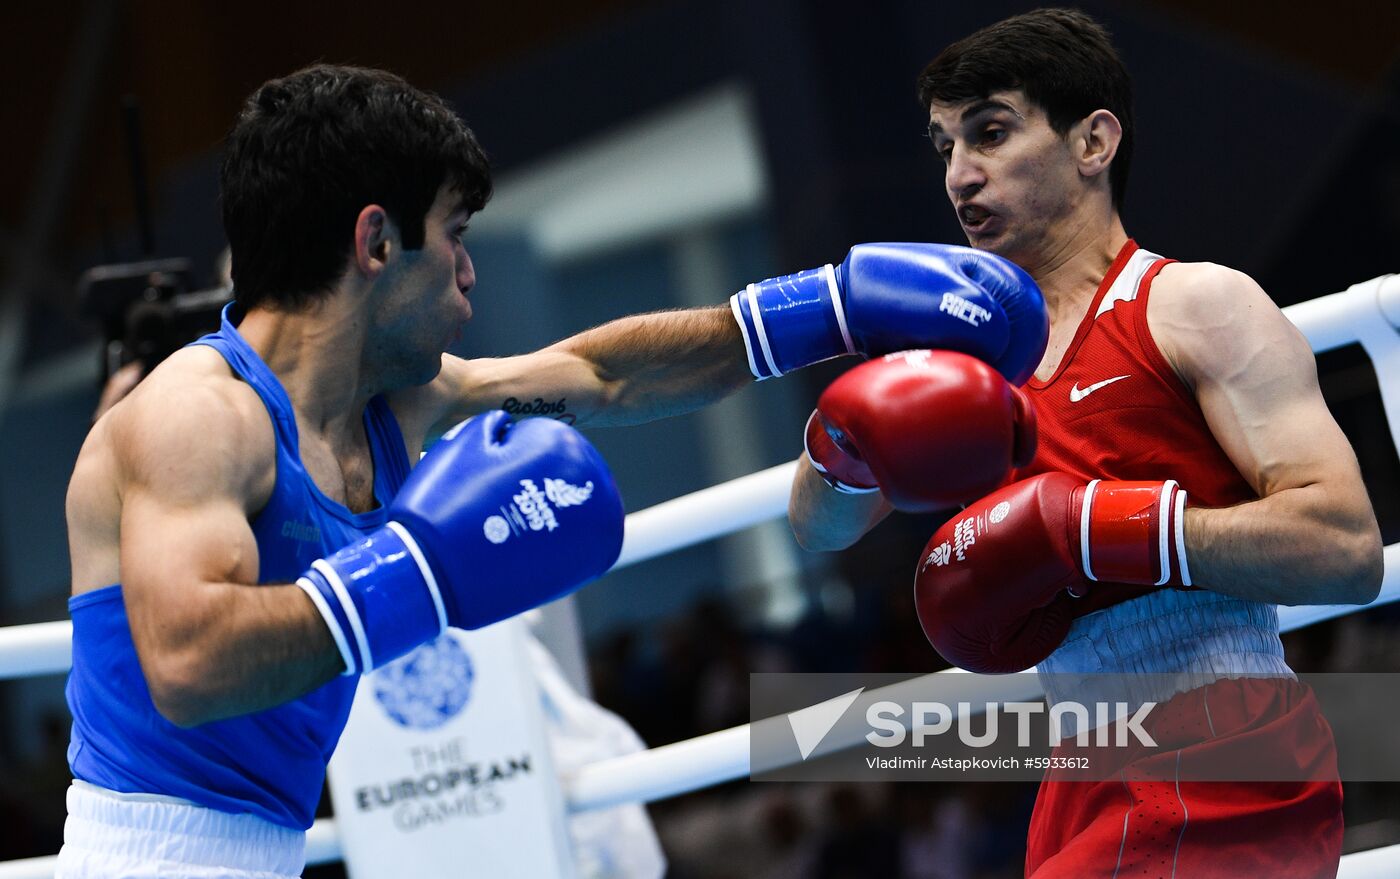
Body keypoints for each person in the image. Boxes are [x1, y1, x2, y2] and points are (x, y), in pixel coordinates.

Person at [61, 64, 1045, 877]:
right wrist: (417, 576)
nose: (468, 272)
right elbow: (188, 664)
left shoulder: (390, 402)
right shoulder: (200, 415)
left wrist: (822, 313)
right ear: (374, 241)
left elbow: (602, 373)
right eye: (452, 235)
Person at [789, 9, 1383, 878]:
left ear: (1093, 142)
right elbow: (821, 530)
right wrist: (841, 434)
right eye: (945, 146)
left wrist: (1099, 524)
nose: (960, 174)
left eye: (989, 132)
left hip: (1225, 742)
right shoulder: (965, 373)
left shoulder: (1194, 306)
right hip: (1079, 766)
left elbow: (1345, 547)